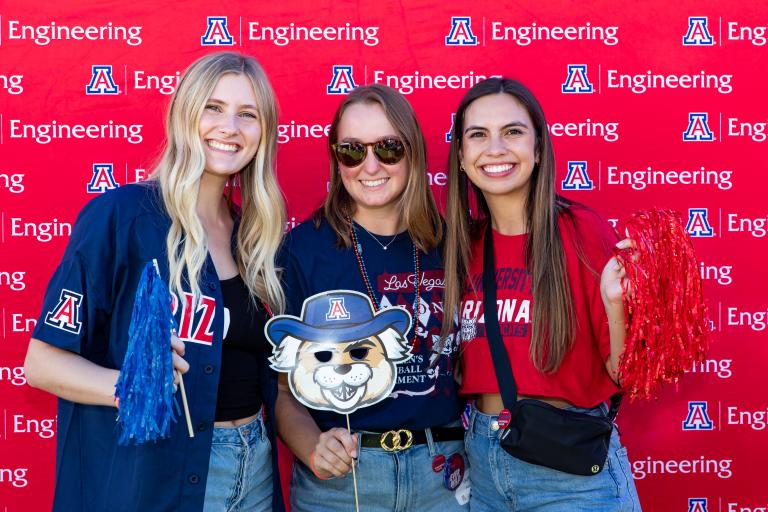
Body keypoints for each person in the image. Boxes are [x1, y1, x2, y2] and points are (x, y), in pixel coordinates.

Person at [23, 52, 286, 512]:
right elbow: (42, 364)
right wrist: (136, 385)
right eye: (213, 107)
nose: (230, 126)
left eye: (248, 114)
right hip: (161, 475)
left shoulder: (254, 235)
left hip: (255, 468)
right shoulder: (122, 216)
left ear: (263, 133)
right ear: (184, 113)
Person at [442, 77, 642, 511]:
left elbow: (626, 375)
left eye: (512, 131)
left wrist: (616, 305)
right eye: (478, 134)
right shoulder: (463, 246)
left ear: (538, 148)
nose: (495, 148)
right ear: (461, 156)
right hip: (481, 468)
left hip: (570, 475)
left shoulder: (582, 232)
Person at [276, 84, 468, 511]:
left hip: (443, 475)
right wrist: (313, 447)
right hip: (344, 481)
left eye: (388, 148)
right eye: (351, 150)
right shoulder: (303, 250)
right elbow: (282, 387)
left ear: (412, 151)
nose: (370, 165)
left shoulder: (455, 244)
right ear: (336, 158)